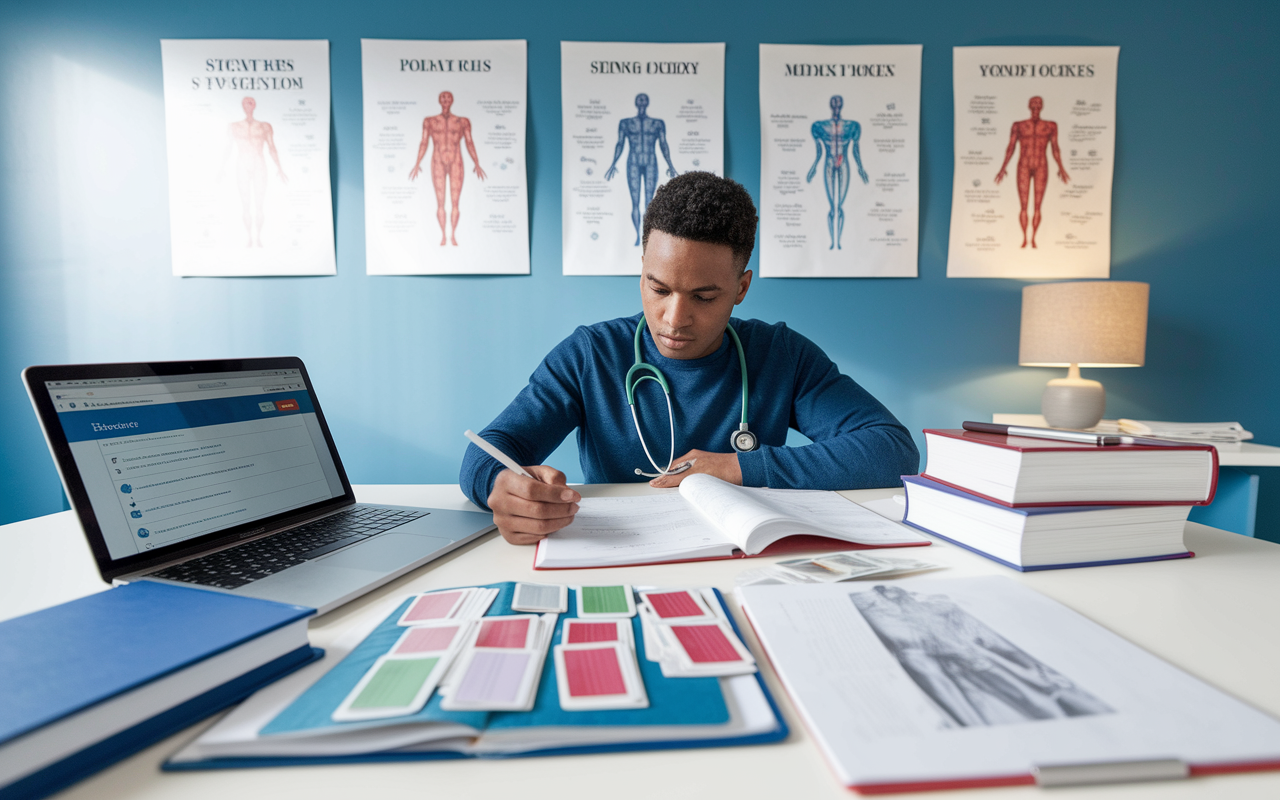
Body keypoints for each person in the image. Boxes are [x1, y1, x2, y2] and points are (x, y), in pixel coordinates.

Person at [460, 172, 919, 545]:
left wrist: (736, 467)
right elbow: (488, 451)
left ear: (740, 289)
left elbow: (892, 449)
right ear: (642, 271)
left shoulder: (780, 355)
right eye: (658, 289)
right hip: (621, 555)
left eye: (703, 296)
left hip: (747, 559)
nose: (674, 318)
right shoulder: (591, 355)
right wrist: (501, 487)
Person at [409, 91, 486, 246]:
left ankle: (453, 235)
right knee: (440, 202)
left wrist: (476, 162)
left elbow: (469, 142)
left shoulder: (462, 122)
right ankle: (444, 235)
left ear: (452, 100)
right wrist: (417, 162)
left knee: (455, 202)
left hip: (456, 160)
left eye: (448, 97)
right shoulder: (429, 121)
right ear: (439, 100)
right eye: (443, 97)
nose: (445, 100)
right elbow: (424, 142)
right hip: (437, 160)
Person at [994, 96, 1069, 249]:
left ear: (1042, 106)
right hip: (1023, 165)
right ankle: (1024, 238)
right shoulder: (1019, 125)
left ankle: (1033, 238)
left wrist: (1061, 168)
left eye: (1038, 104)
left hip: (1041, 165)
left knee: (1037, 206)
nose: (1035, 107)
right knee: (1023, 206)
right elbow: (1011, 147)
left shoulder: (1050, 126)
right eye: (1033, 104)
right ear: (1029, 106)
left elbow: (1055, 148)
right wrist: (1003, 168)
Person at [604, 93, 678, 246]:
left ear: (647, 102)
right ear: (636, 103)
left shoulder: (657, 123)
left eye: (644, 100)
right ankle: (638, 235)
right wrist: (613, 164)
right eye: (640, 100)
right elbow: (620, 144)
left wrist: (670, 164)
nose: (642, 102)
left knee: (649, 203)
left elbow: (664, 145)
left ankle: (647, 237)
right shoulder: (626, 123)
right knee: (635, 201)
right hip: (633, 162)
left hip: (651, 161)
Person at [223, 96, 287, 248]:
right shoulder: (234, 126)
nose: (249, 103)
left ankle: (258, 237)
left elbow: (272, 147)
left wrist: (279, 168)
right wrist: (221, 168)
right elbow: (228, 148)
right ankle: (248, 237)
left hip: (259, 163)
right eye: (246, 101)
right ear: (242, 105)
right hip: (242, 164)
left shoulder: (265, 126)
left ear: (255, 104)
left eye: (251, 101)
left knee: (259, 204)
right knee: (245, 204)